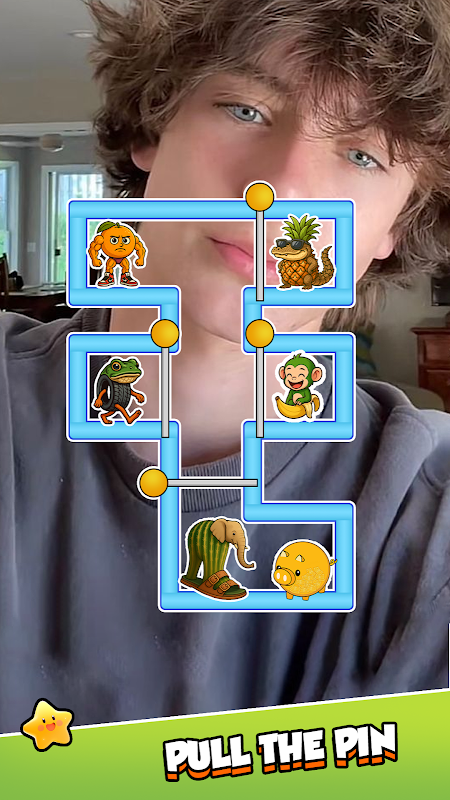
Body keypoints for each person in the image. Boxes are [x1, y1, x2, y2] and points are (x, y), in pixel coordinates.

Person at [1, 0, 450, 733]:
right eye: (245, 110)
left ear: (393, 229)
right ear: (153, 127)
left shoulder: (428, 519)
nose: (279, 189)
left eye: (362, 154)